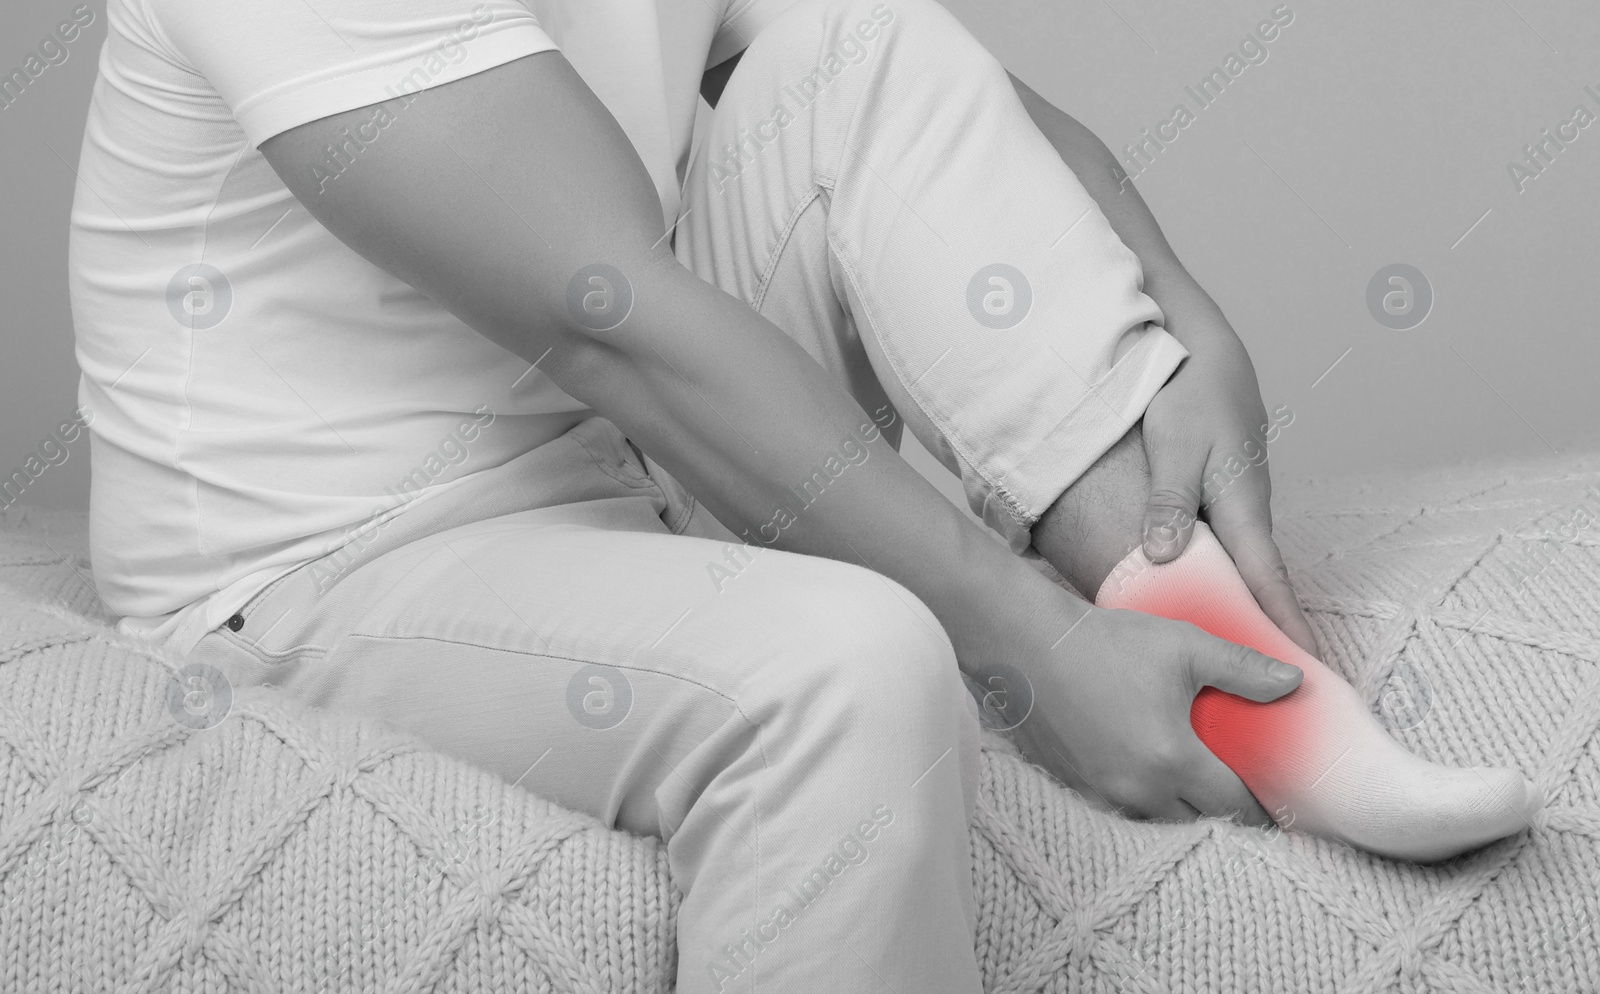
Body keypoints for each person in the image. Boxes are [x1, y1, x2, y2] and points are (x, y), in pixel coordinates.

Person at [69, 0, 1541, 989]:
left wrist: (1180, 315)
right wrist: (1030, 653)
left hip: (601, 443)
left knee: (863, 41)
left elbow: (900, 75)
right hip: (333, 558)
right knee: (845, 665)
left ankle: (1179, 596)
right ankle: (1114, 641)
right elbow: (606, 308)